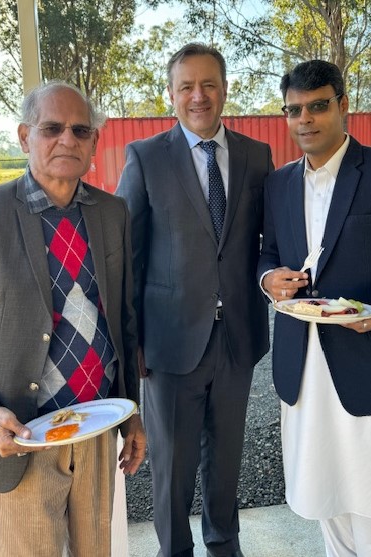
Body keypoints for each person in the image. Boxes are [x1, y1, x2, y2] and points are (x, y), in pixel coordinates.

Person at [0, 80, 146, 557]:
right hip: (23, 437)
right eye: (52, 128)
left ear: (94, 143)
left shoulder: (112, 213)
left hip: (97, 429)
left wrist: (132, 415)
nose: (67, 140)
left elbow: (121, 320)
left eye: (80, 130)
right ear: (25, 137)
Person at [258, 59, 371, 556]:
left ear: (343, 104)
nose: (306, 120)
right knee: (326, 493)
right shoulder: (279, 184)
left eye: (318, 106)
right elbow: (268, 255)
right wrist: (268, 279)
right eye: (294, 110)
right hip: (306, 370)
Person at [116, 43, 274, 557]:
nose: (199, 96)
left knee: (226, 460)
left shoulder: (256, 155)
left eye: (208, 84)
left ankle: (224, 546)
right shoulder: (145, 157)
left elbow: (265, 242)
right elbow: (128, 256)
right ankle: (174, 552)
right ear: (172, 94)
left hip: (237, 340)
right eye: (186, 86)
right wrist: (133, 340)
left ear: (225, 89)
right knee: (174, 467)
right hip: (171, 343)